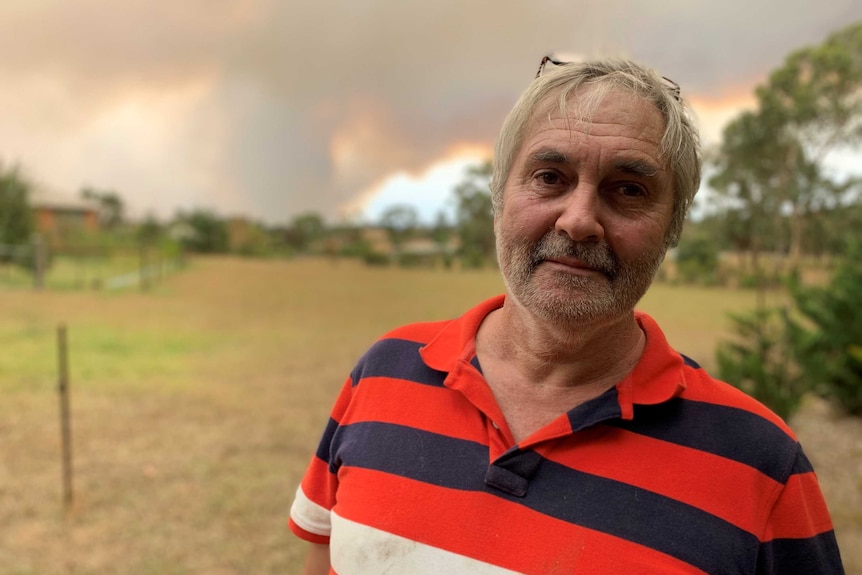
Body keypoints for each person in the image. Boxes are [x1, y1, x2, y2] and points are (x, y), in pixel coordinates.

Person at [288, 56, 844, 574]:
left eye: (629, 189)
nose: (579, 221)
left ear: (672, 228)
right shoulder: (385, 370)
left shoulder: (762, 466)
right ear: (499, 196)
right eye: (550, 177)